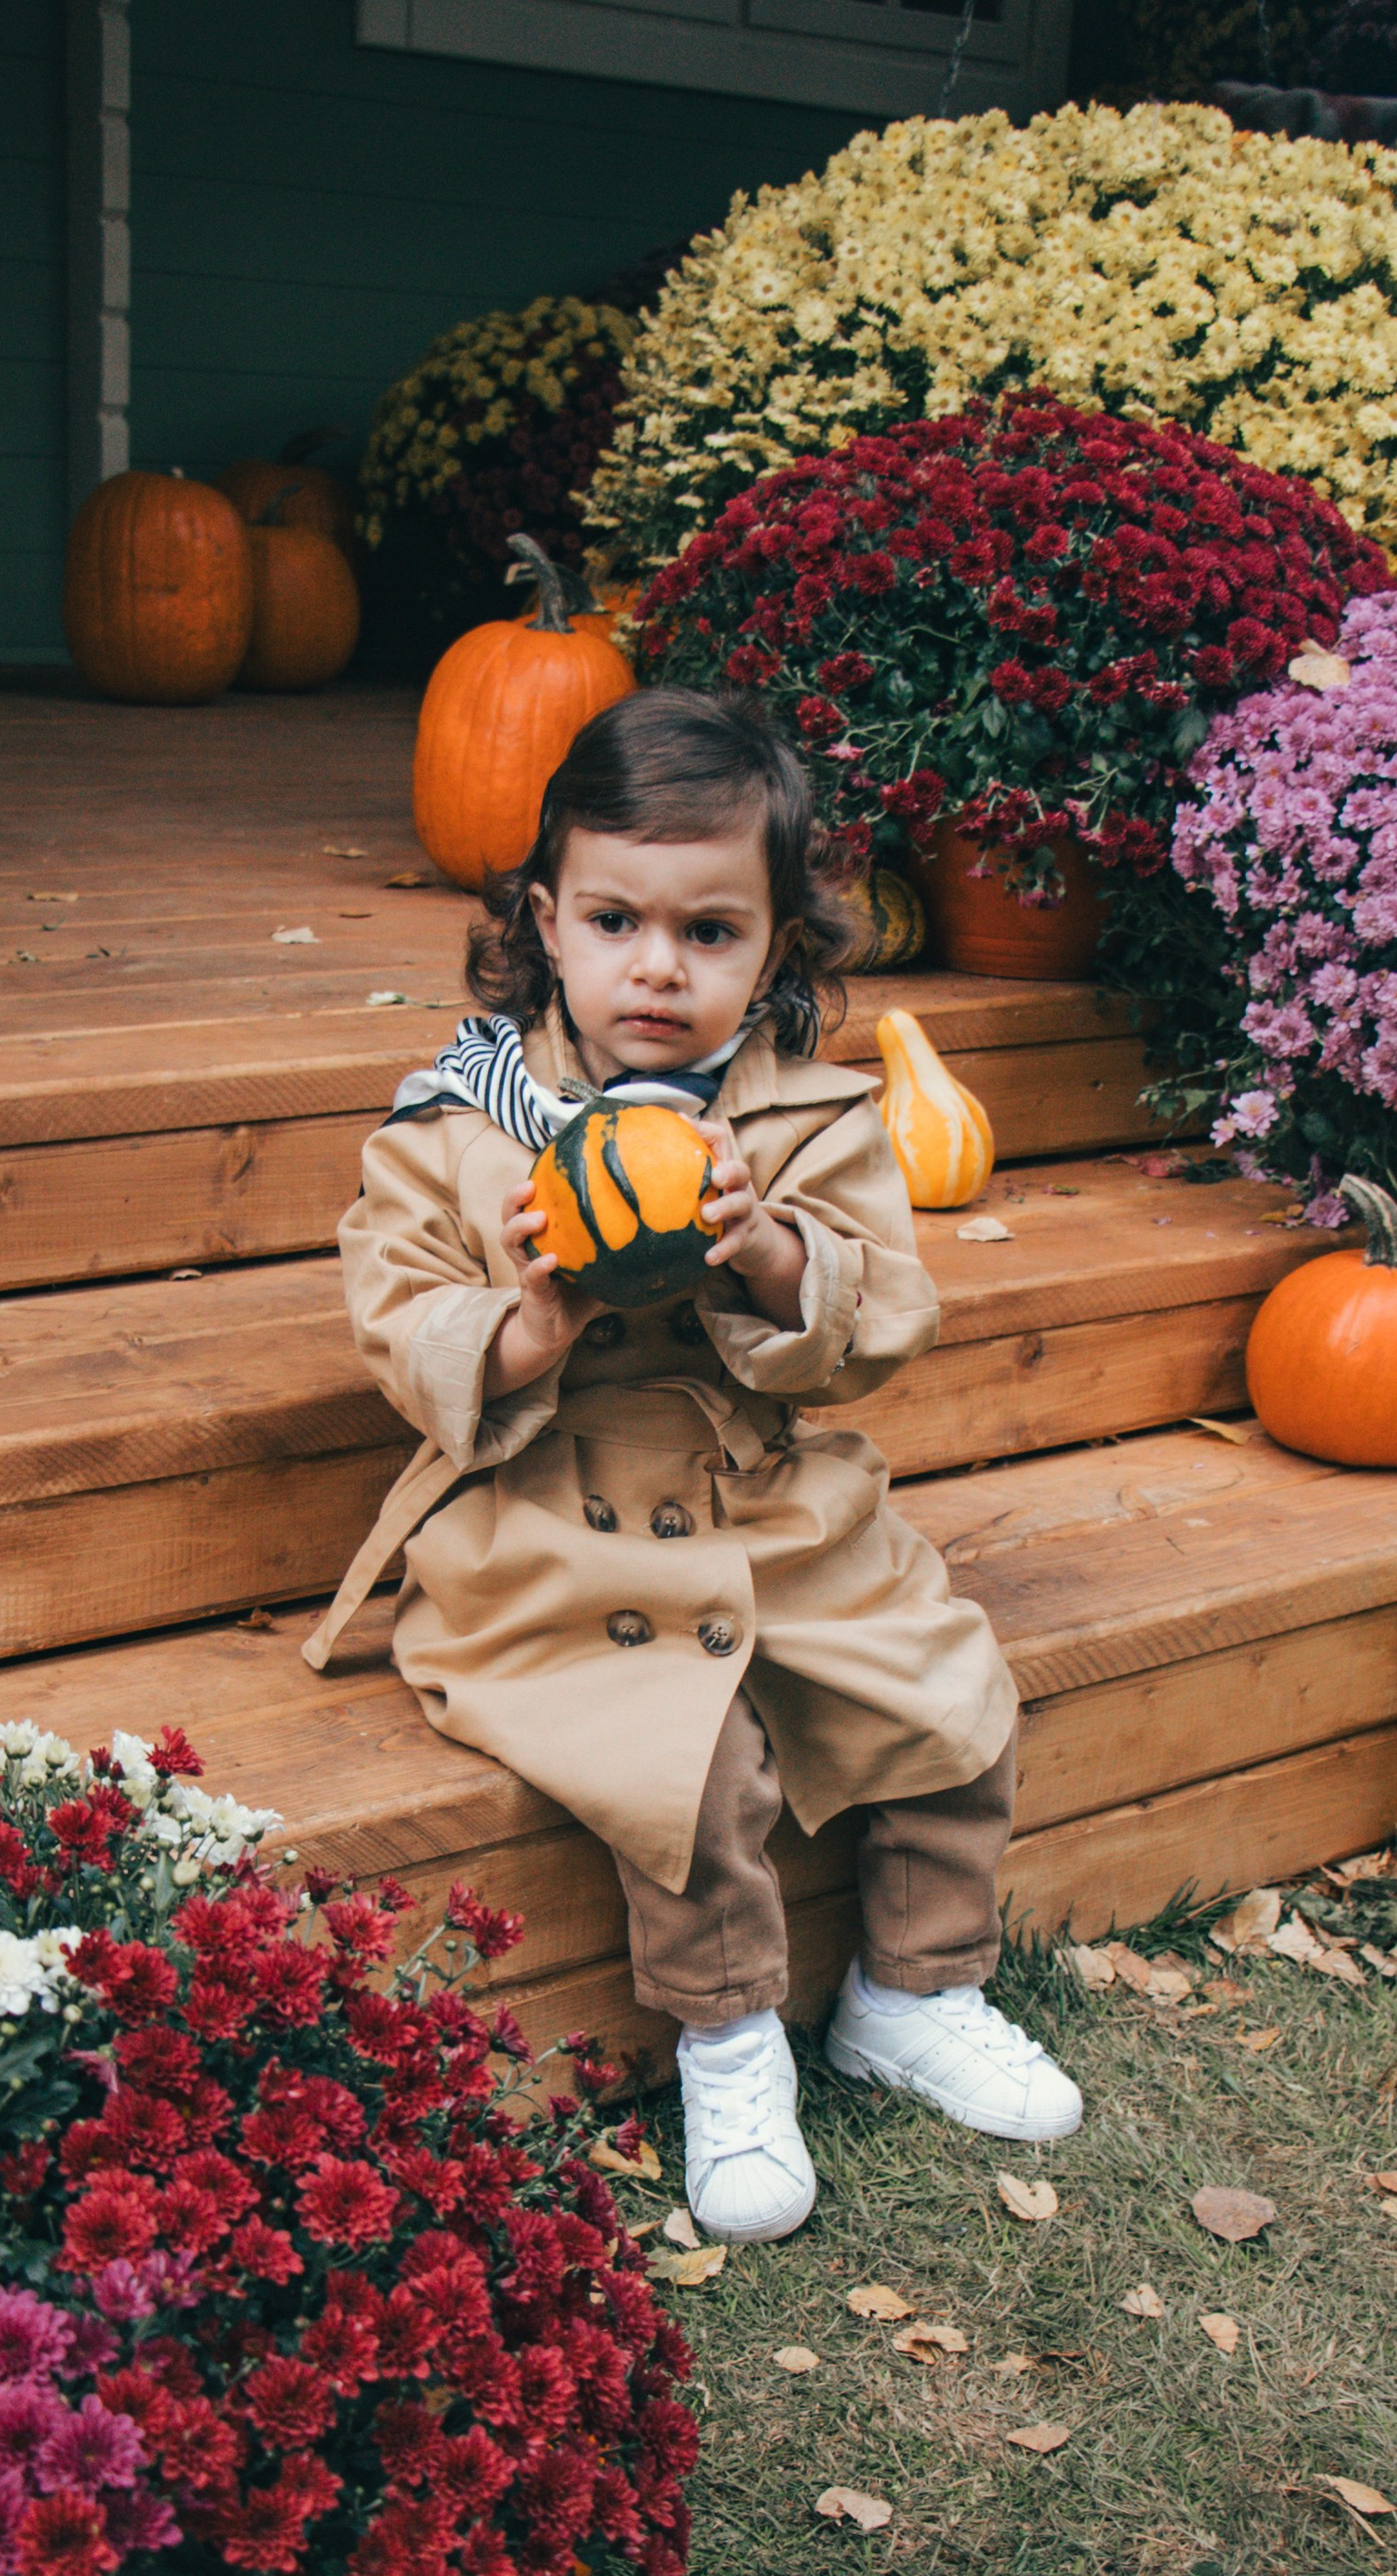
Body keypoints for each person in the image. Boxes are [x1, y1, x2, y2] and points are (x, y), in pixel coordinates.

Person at [304, 688, 1080, 2243]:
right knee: (688, 1760)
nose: (658, 967)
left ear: (779, 950)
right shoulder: (456, 1126)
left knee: (946, 1692)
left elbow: (881, 1313)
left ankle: (909, 1991)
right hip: (553, 1523)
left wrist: (768, 1248)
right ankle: (730, 2044)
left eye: (712, 933)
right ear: (549, 924)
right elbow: (398, 1315)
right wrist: (529, 1317)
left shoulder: (806, 1114)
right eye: (615, 921)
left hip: (769, 1497)